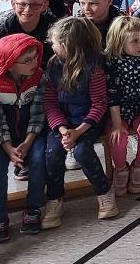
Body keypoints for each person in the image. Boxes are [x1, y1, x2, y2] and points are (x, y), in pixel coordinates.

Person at [42, 16, 117, 225]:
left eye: (55, 42)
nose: (52, 45)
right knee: (53, 153)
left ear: (65, 45)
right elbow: (50, 103)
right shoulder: (54, 65)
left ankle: (104, 193)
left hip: (87, 122)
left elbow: (99, 105)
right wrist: (64, 129)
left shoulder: (93, 68)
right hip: (62, 123)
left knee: (83, 151)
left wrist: (78, 131)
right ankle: (55, 198)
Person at [0, 33, 47, 243]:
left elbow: (39, 113)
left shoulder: (39, 77)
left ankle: (33, 208)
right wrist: (7, 147)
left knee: (39, 160)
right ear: (10, 63)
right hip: (5, 140)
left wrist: (28, 142)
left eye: (34, 57)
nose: (34, 62)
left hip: (32, 135)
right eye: (26, 60)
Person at [103, 16, 140, 197]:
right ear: (120, 42)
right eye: (134, 41)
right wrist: (117, 124)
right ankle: (121, 170)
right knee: (118, 139)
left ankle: (139, 167)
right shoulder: (111, 61)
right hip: (117, 112)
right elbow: (112, 94)